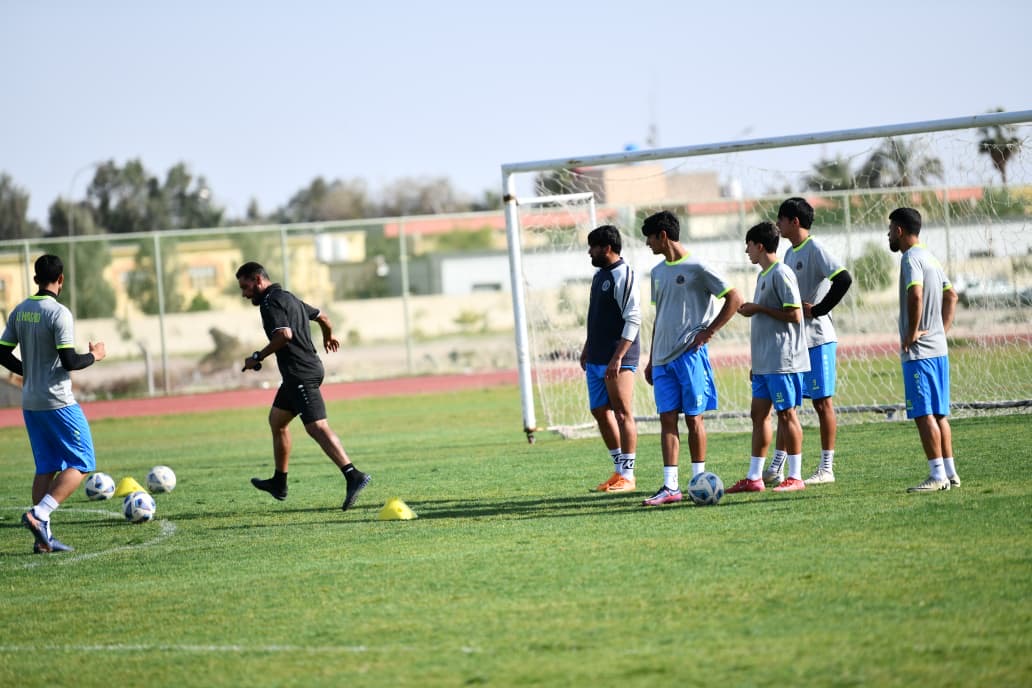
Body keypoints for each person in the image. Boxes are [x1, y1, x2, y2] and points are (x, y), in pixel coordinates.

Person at [236, 261, 371, 510]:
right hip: (299, 373)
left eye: (245, 287)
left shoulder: (270, 303)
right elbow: (323, 317)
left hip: (300, 373)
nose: (244, 294)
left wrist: (257, 357)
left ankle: (353, 475)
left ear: (258, 280)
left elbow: (284, 335)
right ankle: (279, 482)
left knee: (317, 427)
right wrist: (328, 336)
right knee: (277, 421)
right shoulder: (289, 297)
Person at [0, 254, 106, 553]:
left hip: (31, 402)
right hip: (58, 401)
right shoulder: (59, 313)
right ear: (61, 279)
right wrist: (95, 355)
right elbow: (69, 361)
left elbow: (1, 352)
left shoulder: (21, 310)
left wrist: (28, 371)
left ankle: (42, 538)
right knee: (82, 462)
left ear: (36, 279)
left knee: (46, 467)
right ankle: (40, 513)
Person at [639, 210, 743, 506]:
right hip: (662, 360)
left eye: (649, 237)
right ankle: (670, 487)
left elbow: (734, 298)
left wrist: (708, 333)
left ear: (663, 236)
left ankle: (699, 481)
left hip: (690, 357)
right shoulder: (657, 272)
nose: (647, 243)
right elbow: (661, 316)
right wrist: (651, 358)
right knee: (667, 419)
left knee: (694, 419)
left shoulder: (699, 267)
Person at [767, 197, 853, 486]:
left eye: (781, 219)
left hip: (818, 340)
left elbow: (843, 279)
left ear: (794, 221)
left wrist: (817, 310)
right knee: (788, 405)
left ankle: (826, 468)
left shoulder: (815, 249)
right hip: (795, 342)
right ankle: (777, 466)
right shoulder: (789, 254)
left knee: (822, 403)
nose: (777, 224)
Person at [727, 221, 810, 494]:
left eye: (749, 246)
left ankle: (795, 476)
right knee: (758, 415)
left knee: (787, 414)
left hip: (783, 361)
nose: (746, 251)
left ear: (760, 246)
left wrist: (759, 308)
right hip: (765, 363)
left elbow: (795, 314)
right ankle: (754, 478)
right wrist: (757, 362)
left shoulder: (782, 273)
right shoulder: (764, 275)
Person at [886, 208, 960, 492]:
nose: (888, 235)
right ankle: (950, 473)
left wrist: (913, 331)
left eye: (890, 230)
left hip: (920, 352)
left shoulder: (910, 258)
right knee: (939, 414)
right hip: (938, 349)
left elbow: (915, 294)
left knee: (923, 413)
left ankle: (937, 475)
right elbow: (951, 295)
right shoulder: (930, 257)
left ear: (900, 231)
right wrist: (940, 330)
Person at [580, 225, 641, 493]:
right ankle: (618, 470)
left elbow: (633, 318)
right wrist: (587, 346)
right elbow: (596, 316)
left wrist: (618, 357)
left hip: (618, 357)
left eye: (593, 247)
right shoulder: (599, 276)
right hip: (596, 355)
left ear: (606, 248)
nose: (589, 252)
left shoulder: (624, 274)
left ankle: (628, 475)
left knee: (622, 412)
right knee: (599, 411)